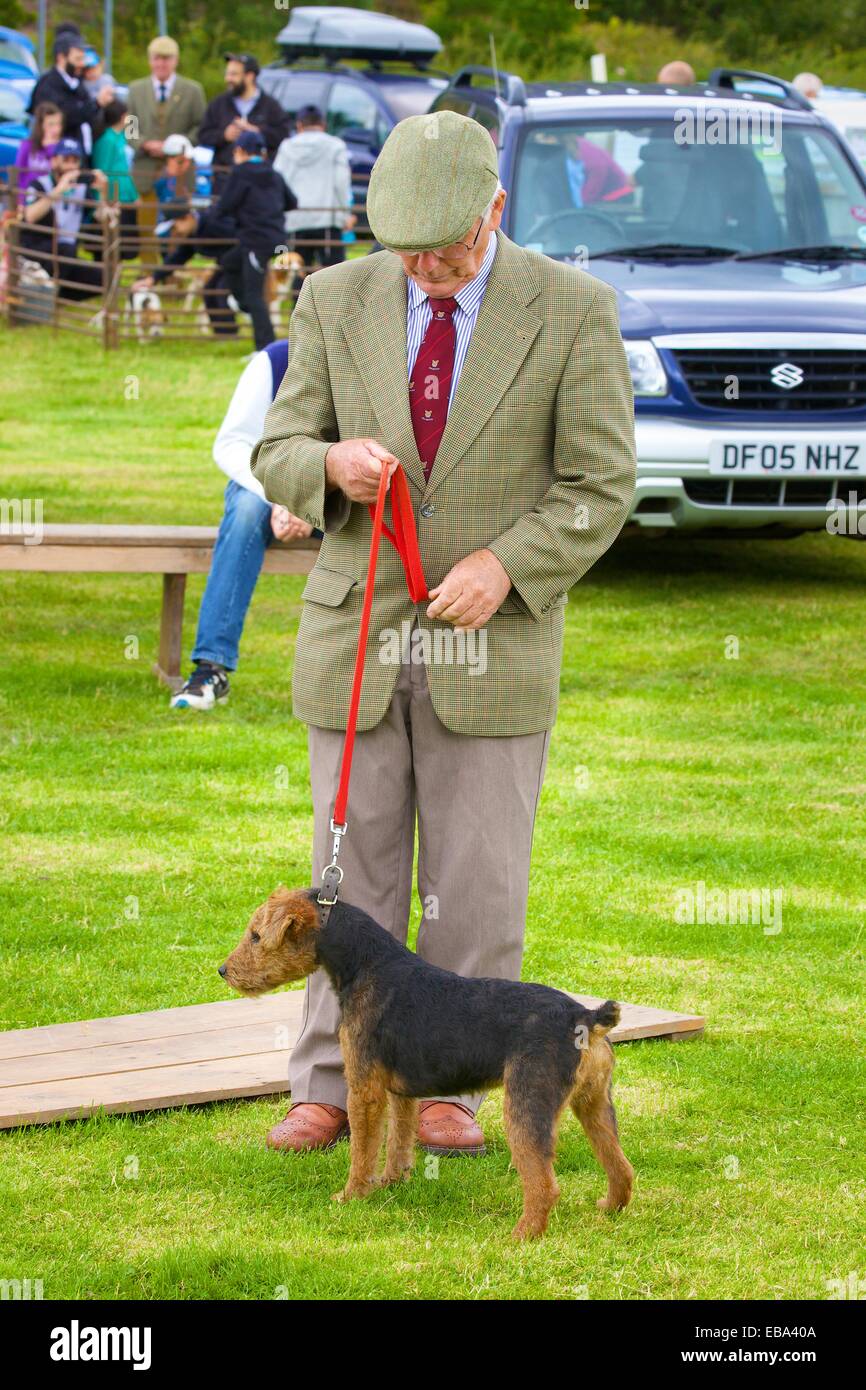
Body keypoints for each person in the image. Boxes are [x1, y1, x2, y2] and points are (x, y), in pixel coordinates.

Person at [251, 111, 636, 1156]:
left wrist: (506, 565)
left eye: (444, 247)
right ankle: (328, 1083)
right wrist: (327, 468)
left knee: (473, 879)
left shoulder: (573, 310)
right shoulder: (332, 298)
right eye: (403, 249)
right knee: (348, 884)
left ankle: (448, 1087)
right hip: (355, 641)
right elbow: (278, 444)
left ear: (494, 209)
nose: (422, 268)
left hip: (492, 646)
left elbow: (601, 486)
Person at [170, 340, 320, 710]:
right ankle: (211, 670)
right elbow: (233, 443)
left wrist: (312, 502)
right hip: (268, 494)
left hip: (343, 498)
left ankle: (389, 674)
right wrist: (282, 498)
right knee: (246, 512)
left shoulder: (377, 354)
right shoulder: (276, 359)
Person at [133, 131, 297, 347]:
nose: (176, 231)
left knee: (254, 294)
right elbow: (291, 202)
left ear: (239, 151)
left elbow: (225, 205)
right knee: (229, 264)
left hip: (256, 241)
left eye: (177, 225)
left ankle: (263, 346)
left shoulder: (239, 174)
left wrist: (239, 213)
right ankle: (234, 321)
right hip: (274, 239)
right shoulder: (274, 174)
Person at [125, 36, 206, 262]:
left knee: (178, 222)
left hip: (180, 170)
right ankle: (149, 273)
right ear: (150, 61)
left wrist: (177, 146)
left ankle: (174, 274)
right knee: (147, 222)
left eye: (166, 59)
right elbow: (129, 129)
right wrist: (144, 144)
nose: (161, 64)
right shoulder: (135, 90)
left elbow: (201, 127)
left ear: (175, 61)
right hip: (146, 168)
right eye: (157, 59)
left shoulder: (192, 90)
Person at [273, 104, 353, 291]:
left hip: (295, 219)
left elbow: (278, 181)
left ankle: (299, 317)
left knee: (297, 274)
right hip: (327, 218)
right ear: (323, 124)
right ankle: (332, 317)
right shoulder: (336, 146)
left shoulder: (286, 147)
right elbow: (341, 183)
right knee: (334, 274)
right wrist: (344, 215)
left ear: (299, 125)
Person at [19, 136, 109, 299]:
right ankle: (44, 295)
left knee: (102, 277)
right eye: (66, 160)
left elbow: (102, 218)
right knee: (66, 250)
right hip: (38, 250)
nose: (70, 166)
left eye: (75, 161)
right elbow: (30, 216)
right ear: (54, 161)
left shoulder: (82, 190)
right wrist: (57, 191)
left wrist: (103, 193)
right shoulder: (40, 184)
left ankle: (54, 294)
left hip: (67, 255)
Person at [198, 52, 288, 193]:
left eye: (234, 74)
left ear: (250, 76)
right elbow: (203, 135)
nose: (228, 79)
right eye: (227, 74)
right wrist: (224, 135)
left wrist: (257, 132)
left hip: (260, 184)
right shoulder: (218, 104)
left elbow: (283, 135)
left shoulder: (270, 106)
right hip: (225, 180)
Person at [27, 33, 115, 154]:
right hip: (60, 157)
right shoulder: (47, 85)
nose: (82, 64)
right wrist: (97, 103)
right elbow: (66, 117)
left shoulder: (78, 83)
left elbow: (126, 116)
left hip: (83, 155)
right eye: (78, 59)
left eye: (83, 59)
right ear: (61, 58)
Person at [91, 99, 139, 257]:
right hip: (112, 197)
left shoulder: (120, 137)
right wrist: (101, 199)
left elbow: (125, 167)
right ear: (123, 116)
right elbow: (101, 169)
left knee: (126, 246)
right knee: (110, 245)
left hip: (125, 196)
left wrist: (134, 195)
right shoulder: (107, 139)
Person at [14, 102, 63, 197]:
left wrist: (50, 148)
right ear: (40, 125)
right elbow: (19, 174)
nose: (56, 129)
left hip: (50, 197)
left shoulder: (63, 148)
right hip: (29, 196)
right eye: (51, 124)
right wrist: (20, 199)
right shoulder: (27, 145)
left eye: (58, 124)